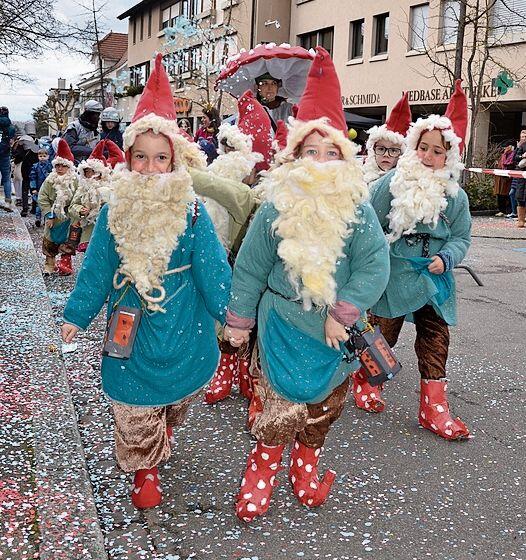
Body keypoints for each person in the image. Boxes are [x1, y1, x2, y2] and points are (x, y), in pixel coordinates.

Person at [224, 47, 389, 522]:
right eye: (309, 152)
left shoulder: (357, 212)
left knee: (323, 407)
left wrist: (344, 312)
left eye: (330, 152)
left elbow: (373, 266)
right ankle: (260, 476)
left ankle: (305, 468)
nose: (319, 162)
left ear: (345, 158)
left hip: (334, 334)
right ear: (294, 156)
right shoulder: (276, 207)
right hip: (279, 325)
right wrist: (238, 322)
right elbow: (251, 268)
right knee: (275, 407)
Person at [61, 54, 231, 510]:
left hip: (182, 317)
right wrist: (76, 315)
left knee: (178, 392)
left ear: (175, 160)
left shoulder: (192, 211)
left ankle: (164, 428)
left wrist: (232, 315)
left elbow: (213, 268)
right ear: (129, 159)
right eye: (142, 158)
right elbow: (96, 269)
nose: (152, 168)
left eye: (161, 158)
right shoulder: (114, 209)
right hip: (129, 318)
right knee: (132, 397)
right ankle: (145, 467)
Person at [367, 80, 471, 441]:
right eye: (423, 148)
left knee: (435, 335)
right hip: (394, 276)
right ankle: (368, 379)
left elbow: (461, 238)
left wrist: (447, 256)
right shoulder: (390, 185)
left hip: (433, 278)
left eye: (437, 151)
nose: (429, 156)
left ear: (449, 157)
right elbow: (367, 224)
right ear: (413, 148)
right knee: (384, 333)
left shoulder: (455, 196)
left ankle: (434, 407)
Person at [203, 90, 273, 406]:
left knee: (251, 322)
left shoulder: (257, 191)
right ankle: (226, 368)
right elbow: (209, 186)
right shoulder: (231, 188)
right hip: (229, 262)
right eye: (225, 148)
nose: (228, 156)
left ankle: (244, 371)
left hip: (261, 270)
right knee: (230, 319)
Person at [68, 139, 125, 252]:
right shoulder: (83, 189)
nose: (89, 175)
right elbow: (72, 206)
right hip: (89, 230)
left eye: (92, 171)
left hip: (107, 230)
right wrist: (80, 210)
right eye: (87, 172)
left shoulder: (111, 187)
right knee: (90, 256)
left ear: (100, 173)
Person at [37, 139, 79, 275]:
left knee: (68, 241)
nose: (60, 169)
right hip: (53, 218)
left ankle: (65, 264)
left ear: (69, 167)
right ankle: (49, 265)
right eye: (58, 166)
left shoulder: (75, 181)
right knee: (50, 242)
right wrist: (48, 214)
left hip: (69, 217)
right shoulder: (49, 180)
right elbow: (42, 197)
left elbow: (79, 198)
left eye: (63, 166)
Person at [362, 93, 412, 186]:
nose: (386, 155)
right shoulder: (360, 178)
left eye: (393, 150)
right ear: (373, 150)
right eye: (381, 149)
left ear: (402, 154)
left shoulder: (407, 185)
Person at [12, 134, 39, 217]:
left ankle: (25, 209)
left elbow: (17, 157)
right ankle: (34, 208)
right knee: (34, 189)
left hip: (26, 171)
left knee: (25, 190)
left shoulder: (23, 148)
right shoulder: (36, 148)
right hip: (34, 173)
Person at [29, 148, 53, 227]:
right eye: (40, 156)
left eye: (44, 156)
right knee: (39, 204)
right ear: (38, 156)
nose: (42, 157)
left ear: (48, 156)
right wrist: (33, 188)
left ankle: (47, 219)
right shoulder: (35, 166)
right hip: (39, 188)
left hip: (49, 189)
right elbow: (32, 177)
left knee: (49, 204)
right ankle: (38, 218)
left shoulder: (51, 166)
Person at [507, 129, 526, 219]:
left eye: (525, 137)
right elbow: (514, 159)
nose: (523, 138)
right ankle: (517, 214)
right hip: (519, 173)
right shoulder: (520, 147)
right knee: (515, 193)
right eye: (522, 136)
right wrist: (522, 156)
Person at [0, 107, 16, 210]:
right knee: (6, 179)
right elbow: (11, 141)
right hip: (4, 155)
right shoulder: (11, 127)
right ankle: (8, 202)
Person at [493, 144, 514, 217]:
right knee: (500, 195)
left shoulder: (512, 155)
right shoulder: (502, 155)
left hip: (508, 179)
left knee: (508, 195)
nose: (506, 149)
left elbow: (511, 165)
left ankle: (508, 211)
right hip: (499, 178)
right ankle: (501, 210)